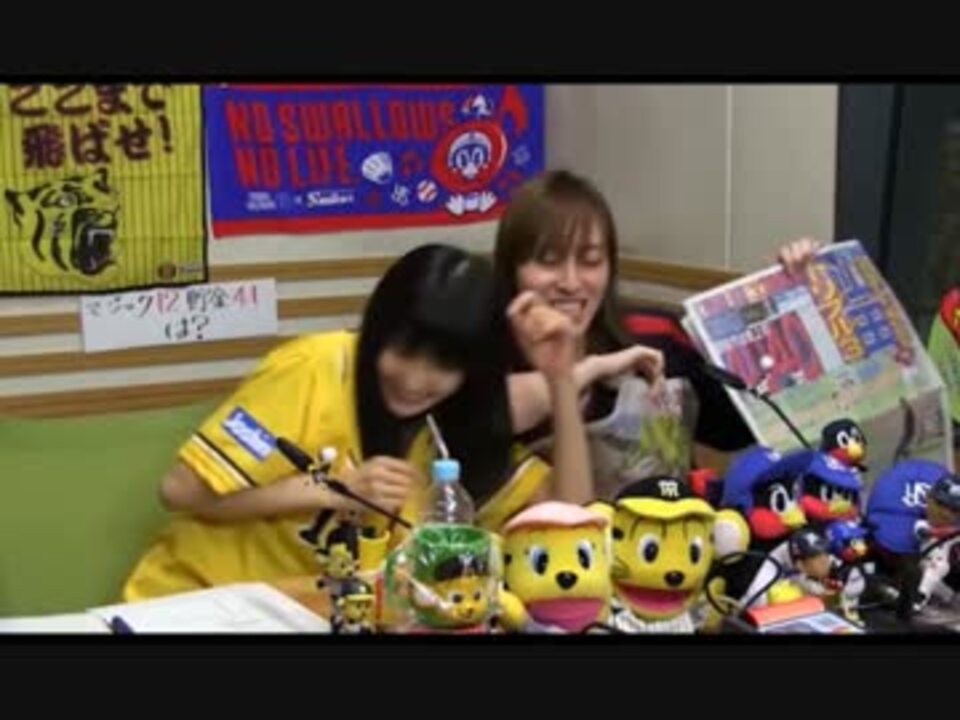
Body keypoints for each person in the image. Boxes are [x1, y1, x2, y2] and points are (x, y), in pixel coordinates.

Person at [122, 244, 592, 601]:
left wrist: (561, 380)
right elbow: (180, 490)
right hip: (199, 601)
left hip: (323, 615)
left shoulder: (454, 428)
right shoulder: (314, 368)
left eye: (444, 365)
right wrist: (330, 489)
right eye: (404, 350)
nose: (415, 380)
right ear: (378, 330)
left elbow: (570, 519)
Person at [494, 168, 822, 487]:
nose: (570, 282)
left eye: (590, 261)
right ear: (512, 268)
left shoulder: (656, 335)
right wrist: (585, 373)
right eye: (549, 261)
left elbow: (737, 429)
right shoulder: (488, 363)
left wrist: (787, 306)